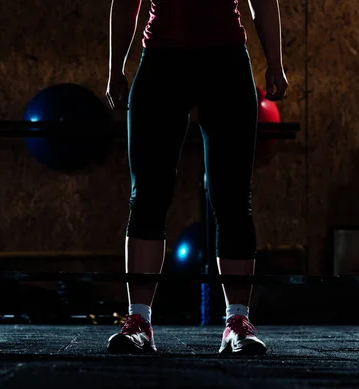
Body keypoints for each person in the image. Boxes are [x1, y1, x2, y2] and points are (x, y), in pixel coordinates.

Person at [105, 0, 288, 355]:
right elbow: (126, 2)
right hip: (162, 60)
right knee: (147, 196)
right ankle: (138, 321)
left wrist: (276, 63)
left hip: (225, 61)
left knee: (232, 197)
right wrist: (115, 69)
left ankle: (238, 323)